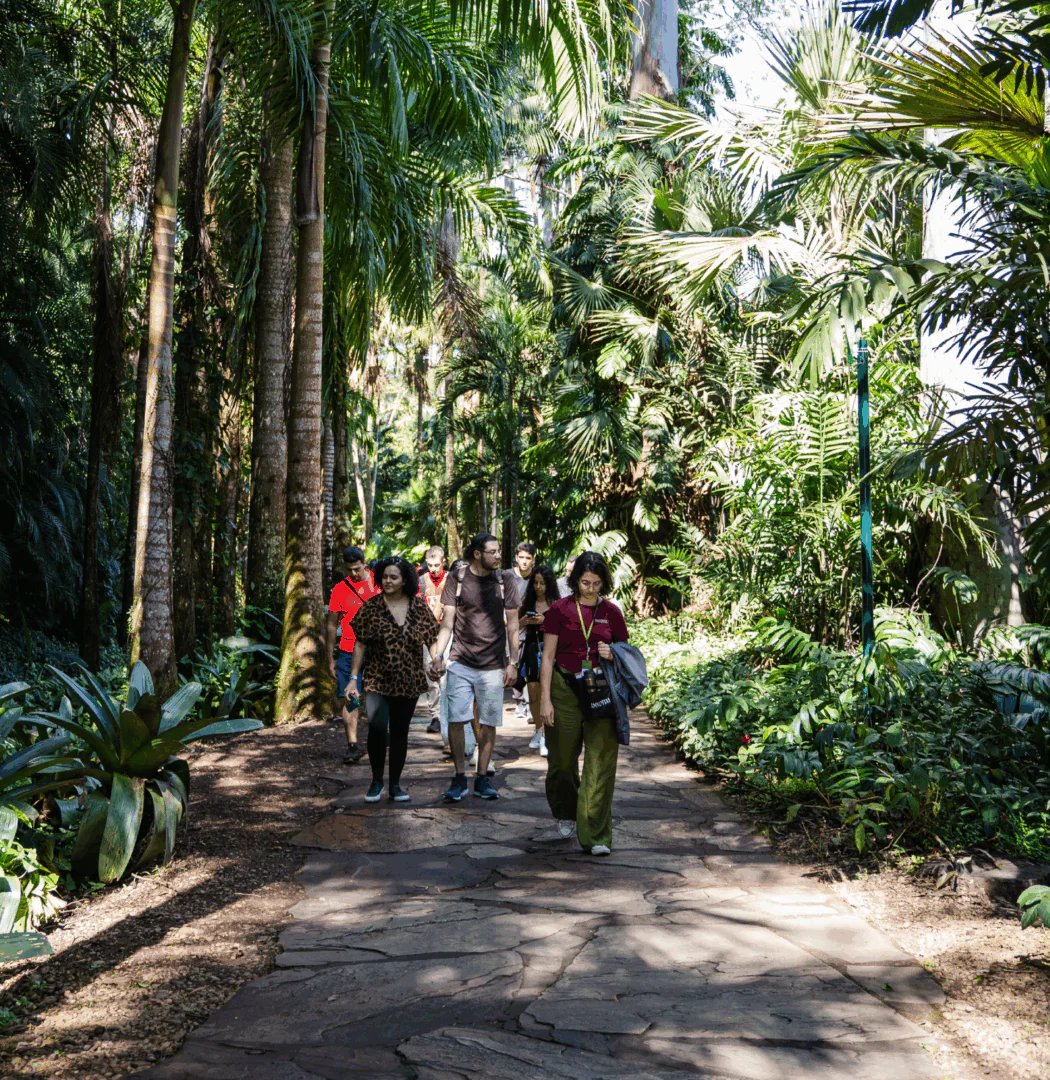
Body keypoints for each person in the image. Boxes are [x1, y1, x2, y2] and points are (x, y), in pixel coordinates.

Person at [538, 551, 629, 855]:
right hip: (565, 688)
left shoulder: (612, 612)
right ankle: (566, 809)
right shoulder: (559, 610)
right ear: (575, 580)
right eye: (585, 582)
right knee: (562, 762)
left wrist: (612, 652)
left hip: (601, 690)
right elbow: (547, 657)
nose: (590, 589)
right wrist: (545, 700)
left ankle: (596, 834)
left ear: (604, 583)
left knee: (600, 763)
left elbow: (625, 653)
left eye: (596, 584)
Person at [430, 533, 520, 802]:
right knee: (456, 720)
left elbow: (513, 626)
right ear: (478, 554)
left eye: (498, 550)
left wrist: (513, 662)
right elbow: (447, 623)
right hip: (460, 661)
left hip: (493, 665)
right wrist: (438, 656)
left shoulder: (505, 579)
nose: (498, 556)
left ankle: (481, 778)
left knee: (489, 722)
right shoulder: (457, 578)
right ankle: (459, 777)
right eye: (493, 551)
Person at [347, 556, 440, 803]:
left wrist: (436, 660)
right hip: (376, 679)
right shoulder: (371, 607)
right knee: (377, 728)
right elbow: (360, 644)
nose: (388, 581)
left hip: (409, 679)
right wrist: (353, 678)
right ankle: (376, 781)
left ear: (404, 580)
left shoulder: (418, 607)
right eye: (385, 577)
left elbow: (432, 638)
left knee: (400, 733)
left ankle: (395, 785)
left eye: (393, 577)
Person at [326, 546, 380, 764]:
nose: (354, 574)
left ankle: (382, 740)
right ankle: (352, 745)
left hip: (376, 650)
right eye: (350, 570)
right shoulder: (340, 589)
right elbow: (332, 625)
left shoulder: (379, 582)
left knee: (379, 697)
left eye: (357, 569)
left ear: (364, 563)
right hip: (348, 650)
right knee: (351, 697)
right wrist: (330, 657)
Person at [519, 565, 561, 757]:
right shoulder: (528, 601)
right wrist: (524, 622)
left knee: (549, 692)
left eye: (542, 583)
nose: (538, 587)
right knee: (533, 692)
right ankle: (538, 729)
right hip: (531, 649)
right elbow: (514, 625)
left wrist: (546, 621)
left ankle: (546, 735)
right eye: (535, 583)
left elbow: (565, 628)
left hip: (551, 651)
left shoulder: (557, 604)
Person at [418, 545, 448, 733]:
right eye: (430, 565)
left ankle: (447, 713)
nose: (433, 569)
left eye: (437, 565)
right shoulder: (422, 581)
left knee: (447, 675)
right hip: (427, 635)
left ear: (443, 562)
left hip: (449, 632)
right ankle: (436, 715)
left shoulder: (451, 579)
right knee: (431, 675)